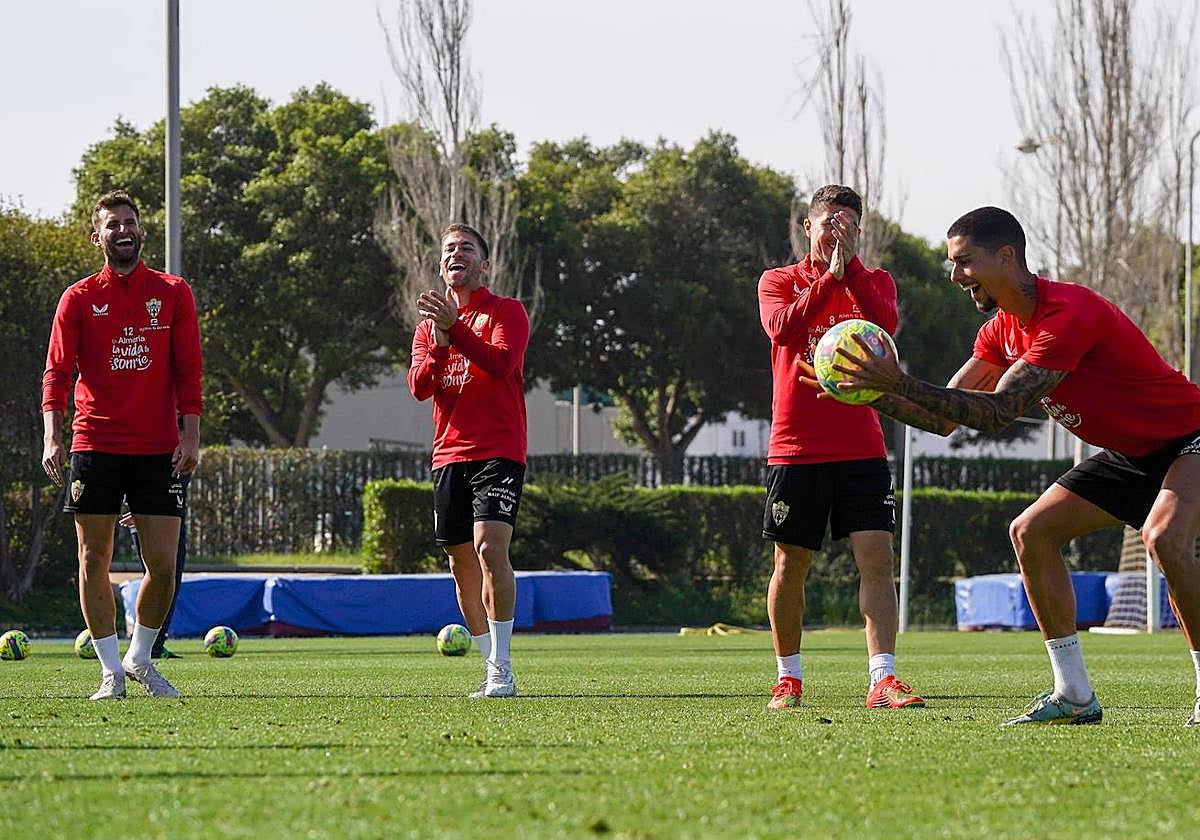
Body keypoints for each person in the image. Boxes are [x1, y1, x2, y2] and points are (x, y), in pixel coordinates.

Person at [821, 205, 1200, 726]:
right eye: (952, 264)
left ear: (1006, 257)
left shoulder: (1068, 313)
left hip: (1190, 437)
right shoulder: (999, 331)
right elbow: (946, 417)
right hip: (1133, 455)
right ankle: (1074, 694)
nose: (955, 276)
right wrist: (868, 393)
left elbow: (999, 411)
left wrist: (898, 381)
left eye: (964, 262)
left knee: (1163, 537)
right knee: (1031, 532)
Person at [757, 184, 925, 712]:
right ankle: (788, 678)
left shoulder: (875, 281)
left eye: (848, 224)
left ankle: (883, 678)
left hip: (861, 445)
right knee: (791, 564)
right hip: (795, 447)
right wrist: (827, 280)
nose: (837, 232)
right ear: (807, 227)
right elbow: (782, 329)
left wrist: (848, 273)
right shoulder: (778, 280)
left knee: (876, 557)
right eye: (829, 222)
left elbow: (885, 327)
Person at [41, 189, 202, 700]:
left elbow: (189, 369)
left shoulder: (173, 292)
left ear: (141, 230)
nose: (123, 230)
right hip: (96, 442)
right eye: (112, 225)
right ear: (97, 237)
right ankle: (110, 671)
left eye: (129, 222)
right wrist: (52, 434)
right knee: (94, 560)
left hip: (159, 447)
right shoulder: (78, 298)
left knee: (164, 566)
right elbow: (57, 372)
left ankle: (140, 658)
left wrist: (191, 434)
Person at [408, 223, 530, 698]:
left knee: (489, 548)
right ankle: (490, 665)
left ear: (485, 264)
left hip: (498, 448)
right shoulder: (427, 328)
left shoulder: (507, 311)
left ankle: (503, 668)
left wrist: (455, 329)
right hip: (448, 454)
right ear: (442, 267)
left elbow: (501, 363)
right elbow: (420, 387)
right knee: (461, 561)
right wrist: (440, 342)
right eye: (448, 250)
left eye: (465, 248)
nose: (455, 254)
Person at [121, 471, 190, 659]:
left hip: (168, 506)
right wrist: (137, 506)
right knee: (160, 576)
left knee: (166, 576)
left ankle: (153, 645)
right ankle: (149, 647)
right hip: (152, 506)